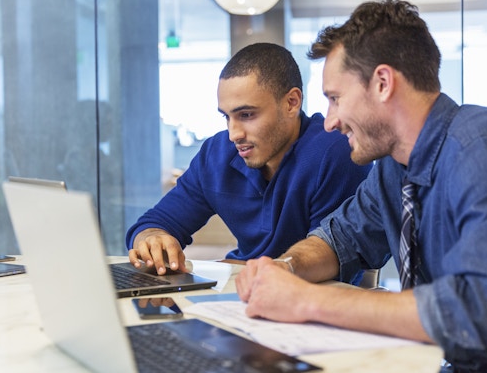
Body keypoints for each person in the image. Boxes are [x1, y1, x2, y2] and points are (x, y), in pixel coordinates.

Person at [235, 0, 487, 372]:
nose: (329, 122)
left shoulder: (486, 147)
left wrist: (306, 301)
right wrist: (284, 269)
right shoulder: (393, 167)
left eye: (336, 99)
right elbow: (341, 239)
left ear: (383, 83)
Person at [126, 43, 372, 275]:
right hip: (241, 290)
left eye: (246, 114)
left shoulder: (335, 152)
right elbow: (155, 222)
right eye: (227, 117)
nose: (234, 134)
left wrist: (251, 270)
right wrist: (152, 238)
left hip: (310, 301)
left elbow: (333, 257)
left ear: (291, 103)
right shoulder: (217, 153)